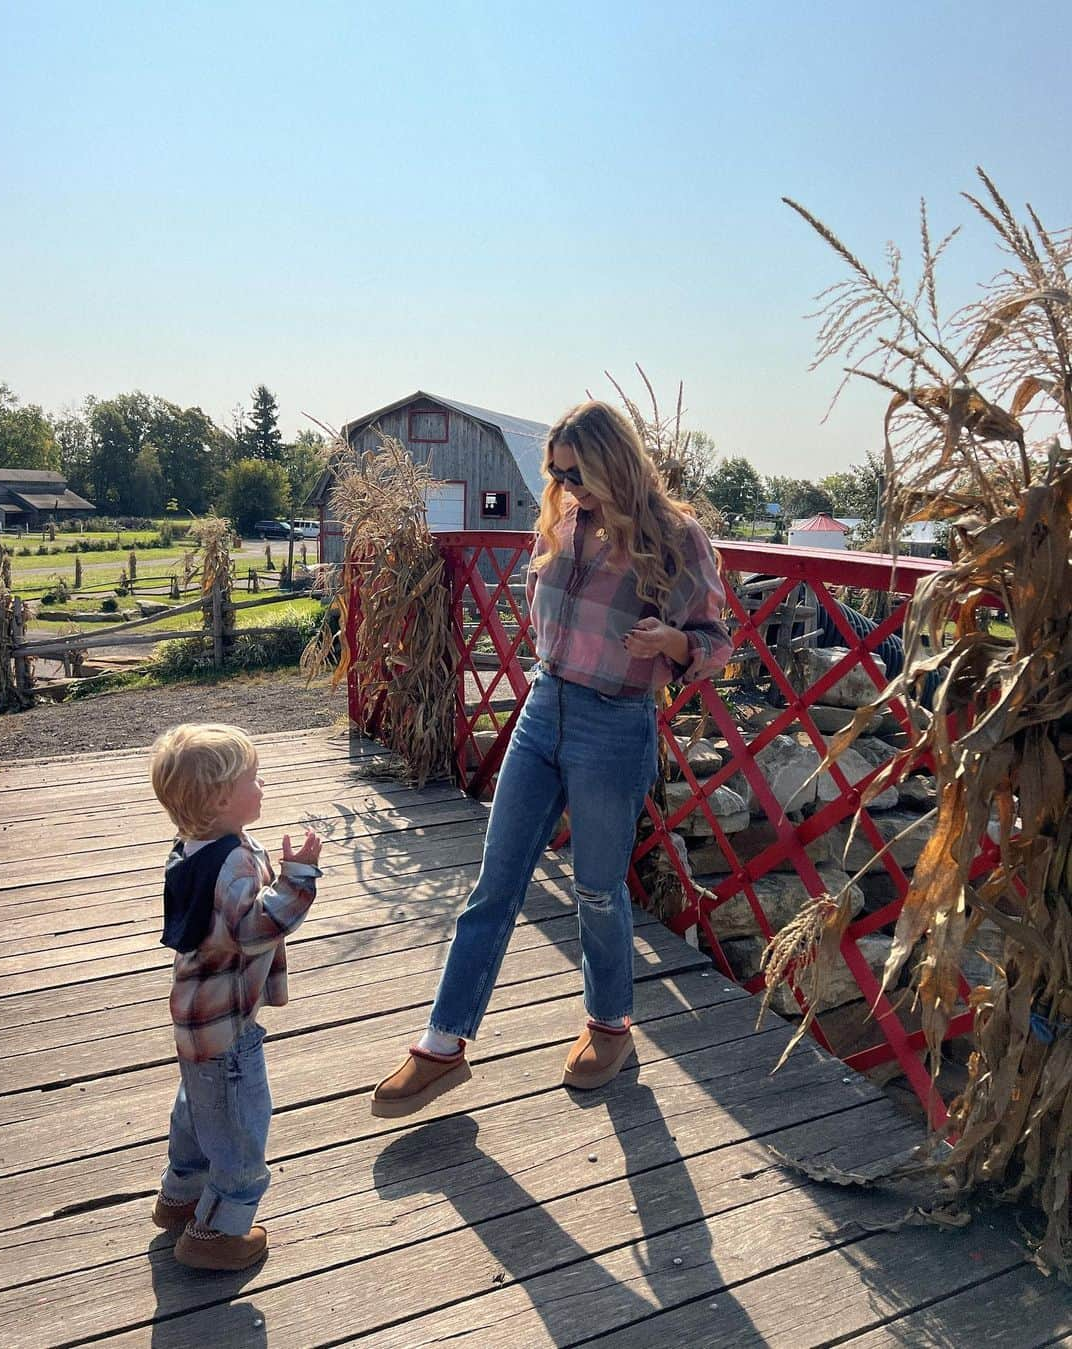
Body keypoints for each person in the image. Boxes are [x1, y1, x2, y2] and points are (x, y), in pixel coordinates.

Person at [371, 400, 731, 1118]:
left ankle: (609, 1023)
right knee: (494, 881)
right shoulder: (564, 519)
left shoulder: (676, 537)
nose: (565, 486)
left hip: (614, 722)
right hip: (543, 711)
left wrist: (673, 645)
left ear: (613, 460)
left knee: (597, 888)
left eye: (577, 473)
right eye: (558, 474)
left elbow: (716, 643)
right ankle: (444, 1044)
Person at [148, 723, 322, 1270]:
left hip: (200, 1018)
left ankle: (181, 1195)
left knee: (201, 1109)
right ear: (223, 798)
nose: (262, 784)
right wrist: (298, 879)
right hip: (225, 1024)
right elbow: (255, 929)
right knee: (242, 1121)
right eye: (253, 779)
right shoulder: (232, 863)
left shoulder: (197, 849)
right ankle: (218, 1233)